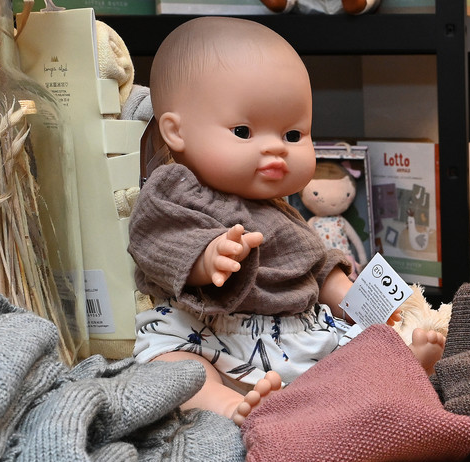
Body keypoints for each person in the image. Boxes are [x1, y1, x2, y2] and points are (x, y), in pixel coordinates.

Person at [128, 16, 444, 424]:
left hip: (294, 335)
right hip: (208, 332)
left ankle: (393, 373)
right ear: (176, 131)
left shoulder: (283, 212)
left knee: (355, 348)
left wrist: (359, 301)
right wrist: (207, 258)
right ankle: (226, 404)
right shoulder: (176, 188)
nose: (277, 149)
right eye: (244, 131)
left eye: (293, 135)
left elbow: (314, 267)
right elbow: (155, 238)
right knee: (169, 363)